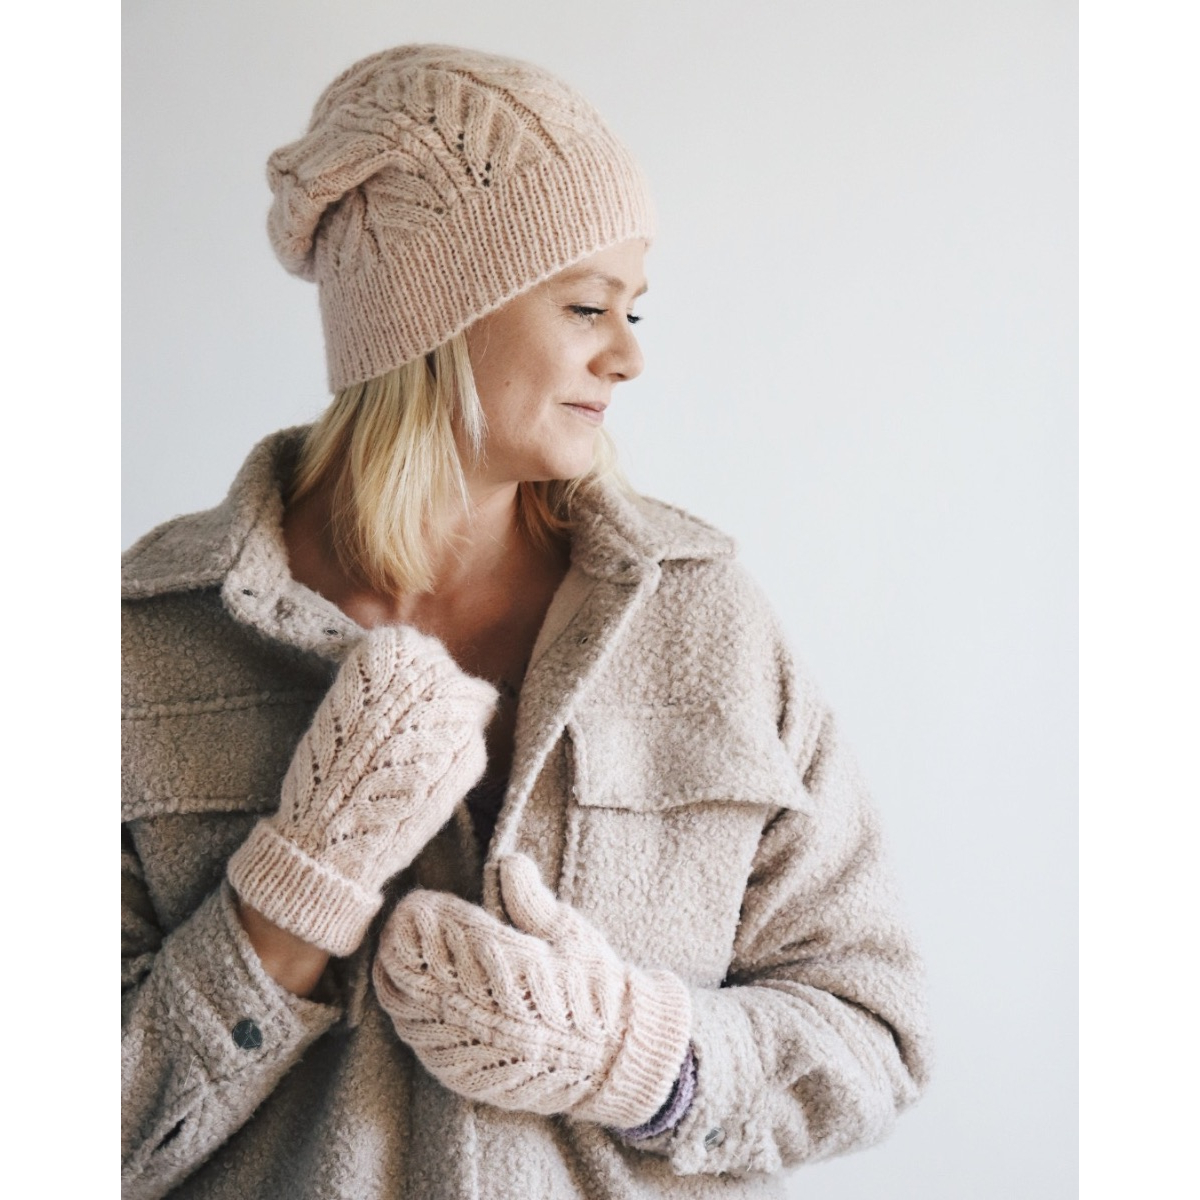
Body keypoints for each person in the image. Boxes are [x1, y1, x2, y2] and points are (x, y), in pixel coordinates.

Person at [121, 44, 931, 1200]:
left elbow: (873, 1033)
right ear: (429, 318)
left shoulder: (703, 621)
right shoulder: (144, 643)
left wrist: (637, 1056)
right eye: (587, 306)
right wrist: (293, 893)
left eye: (633, 308)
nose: (630, 354)